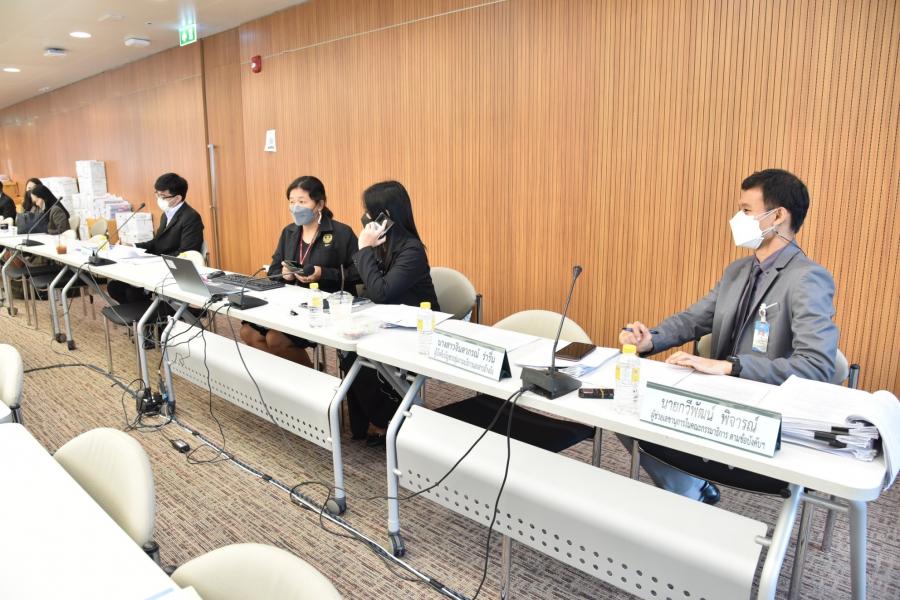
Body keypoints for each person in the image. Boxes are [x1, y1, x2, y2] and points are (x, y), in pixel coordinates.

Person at [619, 168, 839, 504]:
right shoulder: (737, 271)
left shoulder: (807, 278)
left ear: (778, 216)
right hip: (717, 399)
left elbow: (817, 366)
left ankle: (689, 489)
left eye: (747, 211)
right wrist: (650, 339)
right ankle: (689, 488)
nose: (738, 219)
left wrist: (730, 366)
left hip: (761, 411)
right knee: (626, 408)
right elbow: (693, 319)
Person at [345, 180, 440, 446]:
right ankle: (372, 419)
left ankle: (387, 420)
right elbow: (367, 283)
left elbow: (381, 292)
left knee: (364, 357)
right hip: (389, 322)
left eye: (369, 212)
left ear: (385, 216)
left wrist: (364, 249)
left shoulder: (412, 250)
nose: (365, 218)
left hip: (418, 328)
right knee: (348, 351)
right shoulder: (383, 244)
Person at [240, 176, 360, 367]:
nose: (296, 207)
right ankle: (284, 377)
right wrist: (284, 274)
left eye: (302, 202)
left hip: (325, 306)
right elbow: (273, 269)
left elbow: (358, 272)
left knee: (275, 339)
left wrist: (323, 273)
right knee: (248, 332)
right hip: (291, 303)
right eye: (292, 202)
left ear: (319, 204)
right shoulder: (289, 232)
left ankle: (311, 378)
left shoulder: (341, 233)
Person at [108, 172, 204, 304]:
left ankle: (153, 315)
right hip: (158, 266)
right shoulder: (166, 214)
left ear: (177, 198)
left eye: (162, 196)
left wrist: (155, 260)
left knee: (132, 293)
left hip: (174, 272)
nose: (159, 199)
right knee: (114, 287)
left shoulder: (191, 217)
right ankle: (145, 314)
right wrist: (132, 247)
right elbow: (157, 243)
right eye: (157, 194)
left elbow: (187, 254)